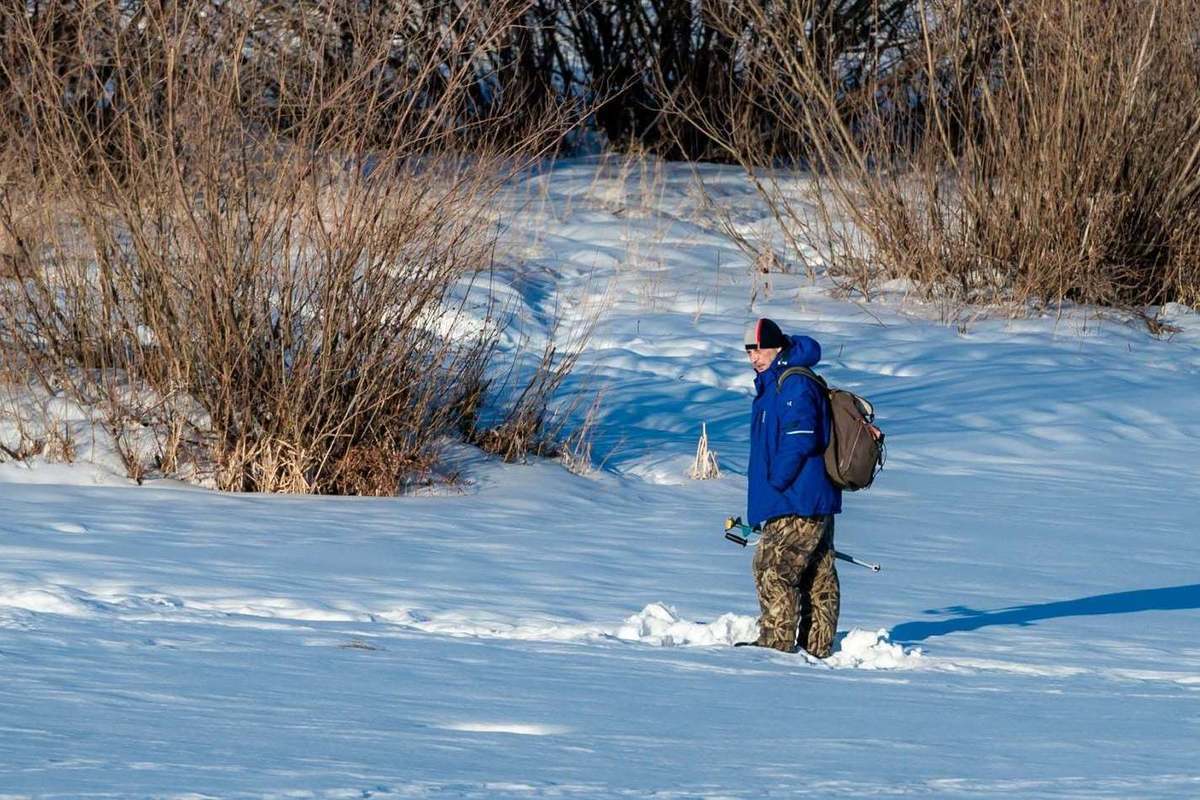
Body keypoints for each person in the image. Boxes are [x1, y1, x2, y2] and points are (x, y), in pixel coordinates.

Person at [742, 317, 841, 657]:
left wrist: (776, 483)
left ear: (778, 347)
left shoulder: (793, 384)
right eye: (750, 351)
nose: (755, 357)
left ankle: (775, 645)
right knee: (817, 573)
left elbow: (799, 438)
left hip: (796, 497)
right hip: (809, 496)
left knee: (773, 567)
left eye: (762, 349)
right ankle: (816, 648)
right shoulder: (776, 385)